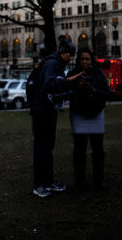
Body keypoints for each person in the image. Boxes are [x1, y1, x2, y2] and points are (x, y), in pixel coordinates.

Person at [30, 36, 83, 198]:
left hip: (48, 110)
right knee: (42, 148)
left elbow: (57, 90)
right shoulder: (53, 64)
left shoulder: (56, 64)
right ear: (63, 54)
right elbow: (50, 85)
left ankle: (48, 181)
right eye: (70, 54)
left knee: (47, 148)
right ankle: (39, 185)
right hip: (42, 111)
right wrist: (70, 80)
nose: (71, 58)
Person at [67, 48, 109, 190]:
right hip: (79, 115)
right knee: (80, 150)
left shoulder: (99, 74)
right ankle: (80, 181)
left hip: (96, 114)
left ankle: (99, 180)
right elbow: (67, 93)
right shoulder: (72, 74)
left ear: (92, 60)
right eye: (82, 59)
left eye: (87, 59)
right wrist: (77, 87)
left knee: (98, 150)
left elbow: (107, 93)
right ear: (78, 60)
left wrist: (94, 90)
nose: (85, 61)